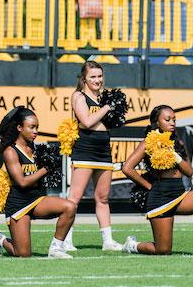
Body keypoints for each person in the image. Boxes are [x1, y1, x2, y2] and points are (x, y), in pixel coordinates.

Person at [121, 105, 193, 257]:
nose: (172, 123)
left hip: (179, 195)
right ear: (156, 123)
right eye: (167, 120)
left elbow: (189, 172)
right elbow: (127, 168)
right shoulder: (148, 143)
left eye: (174, 119)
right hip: (160, 198)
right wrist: (148, 186)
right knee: (163, 250)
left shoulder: (177, 142)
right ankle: (133, 245)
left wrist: (175, 156)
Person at [0, 107, 76, 259]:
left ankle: (56, 249)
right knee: (23, 253)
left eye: (37, 127)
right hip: (18, 203)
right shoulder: (10, 151)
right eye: (32, 127)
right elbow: (21, 182)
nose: (36, 131)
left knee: (69, 207)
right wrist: (45, 169)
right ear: (19, 128)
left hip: (37, 199)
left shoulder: (35, 148)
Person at [63, 61, 122, 251]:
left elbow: (110, 122)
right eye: (93, 77)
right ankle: (65, 239)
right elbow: (87, 121)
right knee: (75, 198)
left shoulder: (105, 96)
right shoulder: (78, 96)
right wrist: (107, 108)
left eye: (99, 76)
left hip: (104, 149)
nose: (97, 80)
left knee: (103, 198)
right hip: (85, 149)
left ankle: (108, 241)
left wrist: (116, 112)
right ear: (84, 79)